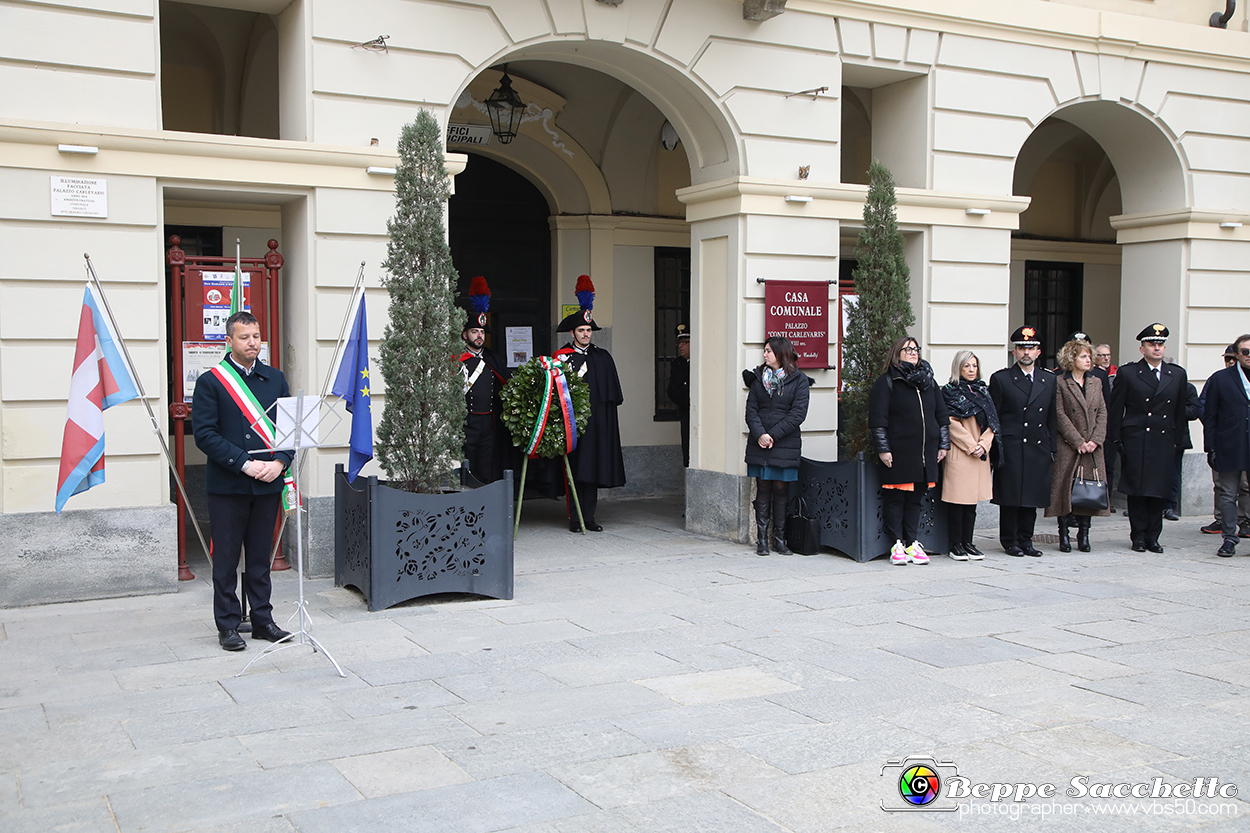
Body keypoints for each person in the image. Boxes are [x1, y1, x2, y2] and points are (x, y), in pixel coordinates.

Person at [192, 311, 293, 651]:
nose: (253, 343)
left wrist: (280, 462)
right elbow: (205, 435)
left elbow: (289, 430)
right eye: (245, 337)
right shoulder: (211, 382)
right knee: (226, 560)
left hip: (268, 483)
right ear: (229, 341)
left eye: (256, 336)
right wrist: (245, 464)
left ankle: (263, 620)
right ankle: (229, 625)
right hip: (229, 486)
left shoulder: (275, 379)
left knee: (260, 559)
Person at [1108, 323, 1188, 553]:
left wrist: (1178, 440)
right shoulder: (1129, 372)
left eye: (1160, 344)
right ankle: (1138, 536)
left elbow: (1179, 411)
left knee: (1158, 491)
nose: (1157, 348)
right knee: (1137, 491)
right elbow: (1116, 410)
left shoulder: (1177, 374)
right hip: (1136, 439)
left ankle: (1153, 536)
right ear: (1142, 348)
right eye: (1152, 344)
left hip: (1163, 440)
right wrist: (1116, 439)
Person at [869, 335, 950, 565]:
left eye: (916, 349)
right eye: (908, 349)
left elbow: (941, 416)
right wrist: (883, 449)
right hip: (899, 451)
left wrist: (943, 444)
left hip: (925, 453)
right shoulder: (887, 382)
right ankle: (897, 544)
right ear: (897, 353)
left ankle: (912, 542)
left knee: (915, 499)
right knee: (896, 499)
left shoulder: (929, 382)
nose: (913, 353)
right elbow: (878, 420)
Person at [554, 275, 625, 532]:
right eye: (581, 331)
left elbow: (612, 397)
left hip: (597, 426)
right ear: (572, 332)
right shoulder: (561, 358)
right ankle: (575, 518)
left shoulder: (602, 357)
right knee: (575, 471)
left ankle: (590, 517)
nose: (585, 335)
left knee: (592, 472)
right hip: (573, 426)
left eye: (588, 331)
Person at [990, 325, 1057, 557]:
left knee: (1032, 496)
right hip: (1012, 445)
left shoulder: (1049, 380)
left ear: (1039, 352)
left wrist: (1052, 448)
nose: (1026, 352)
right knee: (1011, 496)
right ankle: (1010, 540)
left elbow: (1052, 417)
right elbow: (994, 416)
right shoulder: (1002, 379)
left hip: (1038, 446)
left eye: (1031, 348)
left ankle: (1026, 539)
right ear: (1014, 352)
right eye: (1021, 348)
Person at [744, 336, 811, 555]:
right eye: (764, 351)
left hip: (784, 443)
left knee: (781, 488)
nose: (764, 355)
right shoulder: (757, 379)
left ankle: (779, 539)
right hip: (759, 443)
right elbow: (751, 411)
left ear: (780, 354)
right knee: (763, 487)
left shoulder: (799, 380)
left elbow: (798, 414)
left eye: (768, 351)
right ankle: (762, 540)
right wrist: (760, 434)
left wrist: (772, 435)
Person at [1045, 338, 1109, 552]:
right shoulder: (1060, 382)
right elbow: (1059, 414)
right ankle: (1064, 534)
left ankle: (1084, 534)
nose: (1089, 360)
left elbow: (1102, 412)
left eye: (1090, 356)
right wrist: (1078, 441)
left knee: (1088, 491)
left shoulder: (1096, 382)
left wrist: (1095, 440)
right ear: (1072, 359)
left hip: (1092, 448)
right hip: (1069, 446)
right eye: (1084, 356)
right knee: (1065, 489)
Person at [940, 351, 997, 560]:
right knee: (958, 503)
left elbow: (993, 422)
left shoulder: (983, 391)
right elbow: (950, 422)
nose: (971, 370)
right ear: (958, 368)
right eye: (967, 366)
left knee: (972, 503)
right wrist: (972, 445)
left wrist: (984, 444)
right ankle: (956, 545)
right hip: (962, 453)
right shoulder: (949, 391)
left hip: (980, 453)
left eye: (974, 366)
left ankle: (968, 542)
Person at [1200, 333, 1250, 557]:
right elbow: (1210, 416)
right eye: (1245, 352)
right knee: (1228, 494)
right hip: (1230, 444)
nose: (1249, 356)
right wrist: (1210, 447)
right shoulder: (1221, 379)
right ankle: (1230, 538)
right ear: (1237, 355)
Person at [460, 277, 510, 484]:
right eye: (474, 331)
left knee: (485, 465)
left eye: (482, 332)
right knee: (466, 464)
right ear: (465, 335)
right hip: (466, 422)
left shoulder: (493, 359)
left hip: (489, 422)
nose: (479, 336)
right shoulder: (457, 360)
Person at [667, 324, 691, 468]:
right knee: (687, 448)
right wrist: (687, 401)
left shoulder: (702, 362)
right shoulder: (677, 364)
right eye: (679, 343)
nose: (681, 346)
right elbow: (672, 391)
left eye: (685, 342)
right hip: (686, 410)